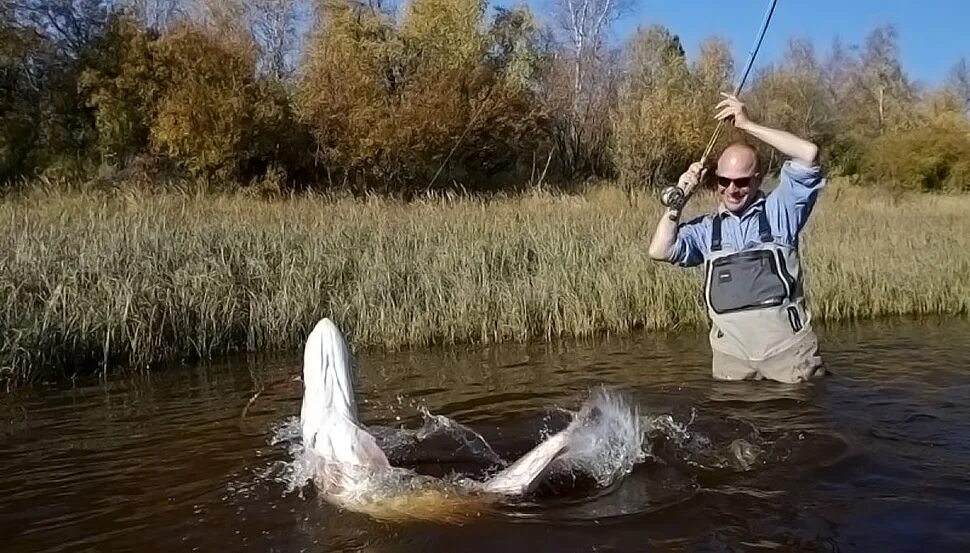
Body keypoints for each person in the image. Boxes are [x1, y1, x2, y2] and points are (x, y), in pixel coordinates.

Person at [647, 93, 826, 383]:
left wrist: (746, 124)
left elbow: (808, 153)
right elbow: (660, 249)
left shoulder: (781, 212)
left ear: (757, 179)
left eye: (742, 181)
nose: (732, 189)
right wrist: (677, 202)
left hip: (789, 356)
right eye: (724, 181)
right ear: (716, 180)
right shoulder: (706, 230)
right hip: (732, 360)